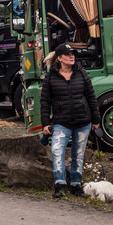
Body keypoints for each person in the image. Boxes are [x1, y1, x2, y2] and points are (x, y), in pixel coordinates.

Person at [40, 43, 100, 199]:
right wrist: (46, 123)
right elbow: (45, 101)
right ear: (59, 58)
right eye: (68, 54)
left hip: (83, 121)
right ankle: (60, 184)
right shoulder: (50, 77)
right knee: (57, 151)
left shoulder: (82, 73)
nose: (72, 56)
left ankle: (76, 184)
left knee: (78, 154)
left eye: (73, 54)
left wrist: (96, 119)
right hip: (61, 122)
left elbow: (91, 97)